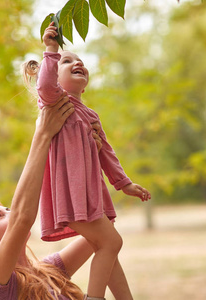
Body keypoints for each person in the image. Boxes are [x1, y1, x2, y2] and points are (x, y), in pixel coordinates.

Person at [21, 23, 151, 299]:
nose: (77, 62)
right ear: (54, 75)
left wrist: (123, 183)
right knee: (112, 242)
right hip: (72, 194)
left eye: (79, 61)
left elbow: (107, 153)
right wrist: (51, 50)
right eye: (67, 62)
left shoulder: (90, 115)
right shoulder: (55, 103)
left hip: (92, 193)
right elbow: (44, 83)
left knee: (106, 246)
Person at [0, 95, 105, 299]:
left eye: (7, 209)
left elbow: (103, 230)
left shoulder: (50, 270)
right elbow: (22, 218)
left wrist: (88, 160)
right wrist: (43, 134)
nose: (10, 213)